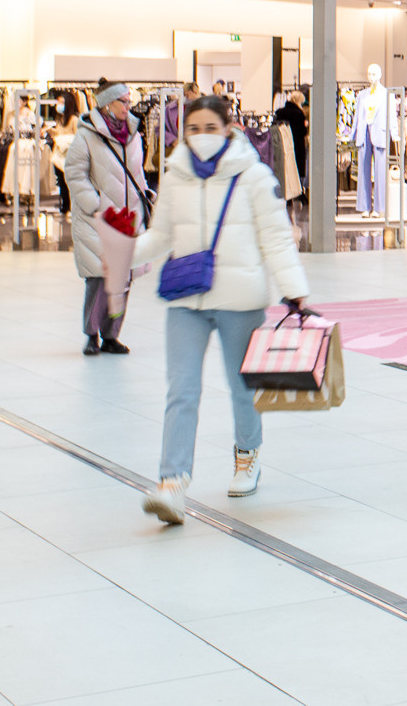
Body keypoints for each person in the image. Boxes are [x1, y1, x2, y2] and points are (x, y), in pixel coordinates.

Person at [137, 96, 310, 524]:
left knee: (241, 388)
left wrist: (295, 290)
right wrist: (123, 256)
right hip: (186, 298)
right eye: (193, 128)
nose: (200, 137)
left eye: (209, 128)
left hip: (240, 298)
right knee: (182, 390)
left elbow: (276, 238)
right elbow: (160, 235)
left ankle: (247, 455)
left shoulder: (253, 175)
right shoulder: (176, 174)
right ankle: (172, 482)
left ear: (228, 129)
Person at [67, 82, 151, 356]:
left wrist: (145, 192)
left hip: (128, 217)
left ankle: (112, 336)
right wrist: (95, 204)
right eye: (123, 101)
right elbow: (75, 174)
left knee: (122, 280)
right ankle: (91, 335)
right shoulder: (87, 136)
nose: (129, 106)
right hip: (99, 218)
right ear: (106, 104)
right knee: (100, 278)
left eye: (129, 101)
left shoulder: (134, 134)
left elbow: (136, 173)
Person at [51, 90, 81, 216]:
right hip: (59, 155)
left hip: (69, 155)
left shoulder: (74, 119)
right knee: (62, 182)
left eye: (62, 102)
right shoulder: (61, 119)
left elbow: (76, 137)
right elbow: (58, 134)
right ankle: (65, 206)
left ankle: (71, 207)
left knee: (69, 182)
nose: (59, 105)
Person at [271, 90, 308, 191]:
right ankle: (296, 194)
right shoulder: (299, 114)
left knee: (283, 169)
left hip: (281, 144)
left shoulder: (279, 112)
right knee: (295, 171)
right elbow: (303, 132)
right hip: (296, 146)